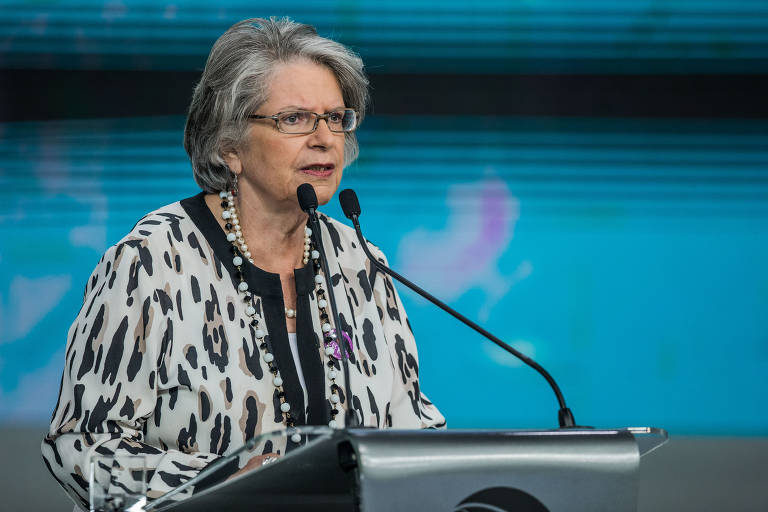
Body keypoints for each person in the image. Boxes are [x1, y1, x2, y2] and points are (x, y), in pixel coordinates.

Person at [41, 17, 444, 509]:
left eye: (336, 118)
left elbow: (414, 430)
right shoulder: (151, 263)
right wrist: (222, 483)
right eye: (294, 119)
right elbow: (80, 444)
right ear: (229, 145)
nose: (324, 138)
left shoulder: (362, 265)